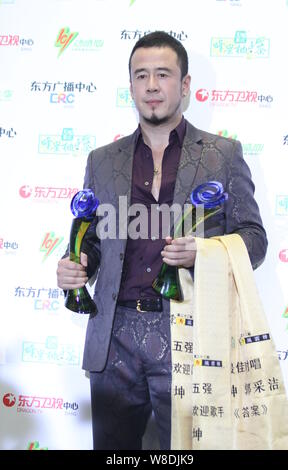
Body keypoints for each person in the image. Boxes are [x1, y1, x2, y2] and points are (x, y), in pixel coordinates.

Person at [57, 31, 267, 450]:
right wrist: (77, 263)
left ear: (185, 86)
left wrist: (203, 253)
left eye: (163, 74)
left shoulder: (221, 154)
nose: (152, 85)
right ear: (131, 85)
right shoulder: (101, 160)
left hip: (189, 336)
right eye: (141, 76)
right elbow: (96, 242)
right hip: (114, 338)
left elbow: (255, 240)